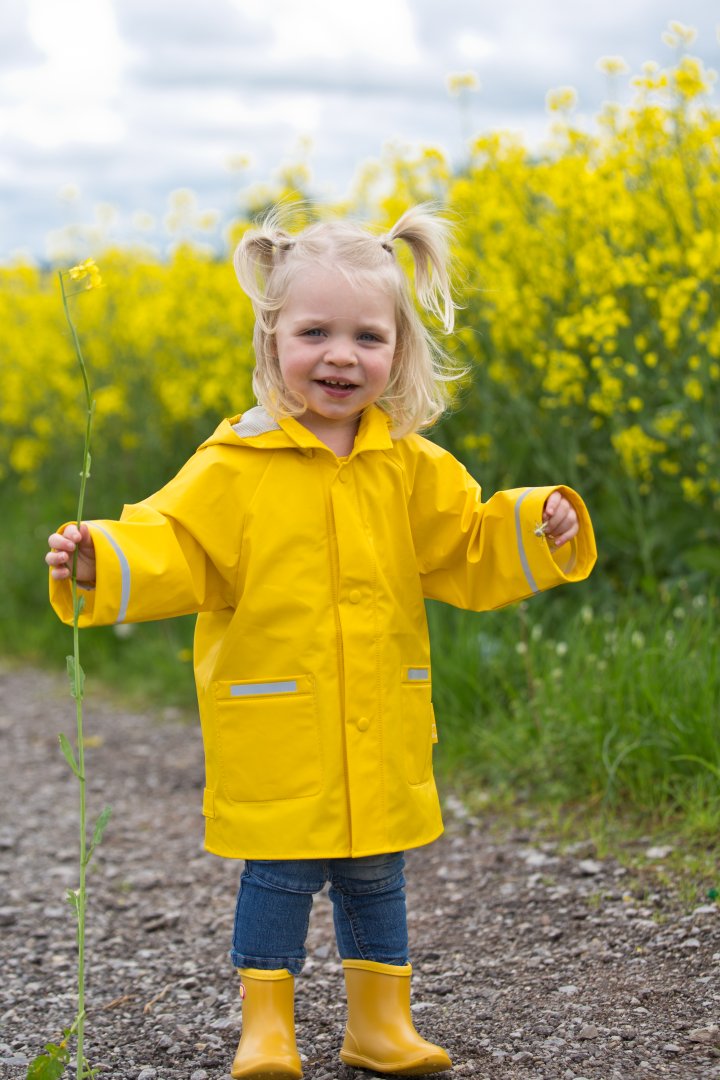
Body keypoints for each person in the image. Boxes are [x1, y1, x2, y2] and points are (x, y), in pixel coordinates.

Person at [47, 204, 597, 1079]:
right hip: (279, 725)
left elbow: (468, 546)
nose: (342, 355)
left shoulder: (412, 466)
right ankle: (268, 1030)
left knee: (377, 874)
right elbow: (173, 544)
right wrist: (97, 560)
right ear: (272, 343)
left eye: (367, 337)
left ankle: (381, 1023)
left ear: (399, 351)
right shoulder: (234, 465)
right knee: (280, 875)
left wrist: (538, 523)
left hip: (377, 720)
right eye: (315, 332)